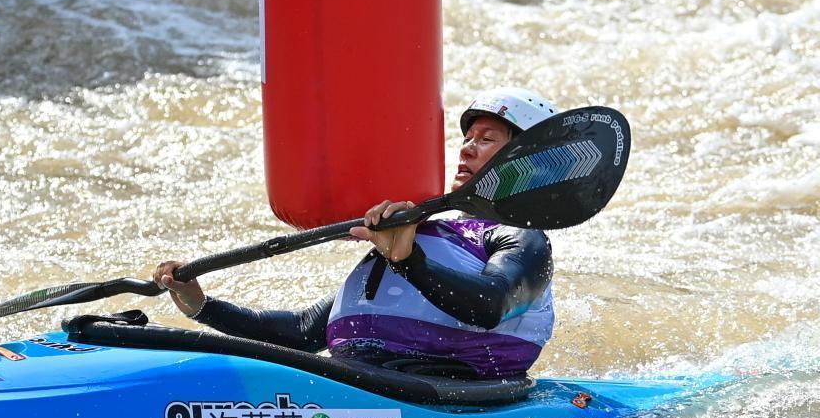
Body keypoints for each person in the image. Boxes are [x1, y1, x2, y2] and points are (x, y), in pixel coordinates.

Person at [154, 87, 557, 379]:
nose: (466, 150)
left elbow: (491, 304)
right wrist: (201, 307)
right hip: (362, 381)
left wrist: (408, 261)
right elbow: (303, 332)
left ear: (529, 164)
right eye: (467, 139)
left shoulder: (522, 237)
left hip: (441, 394)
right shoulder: (422, 230)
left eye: (486, 140)